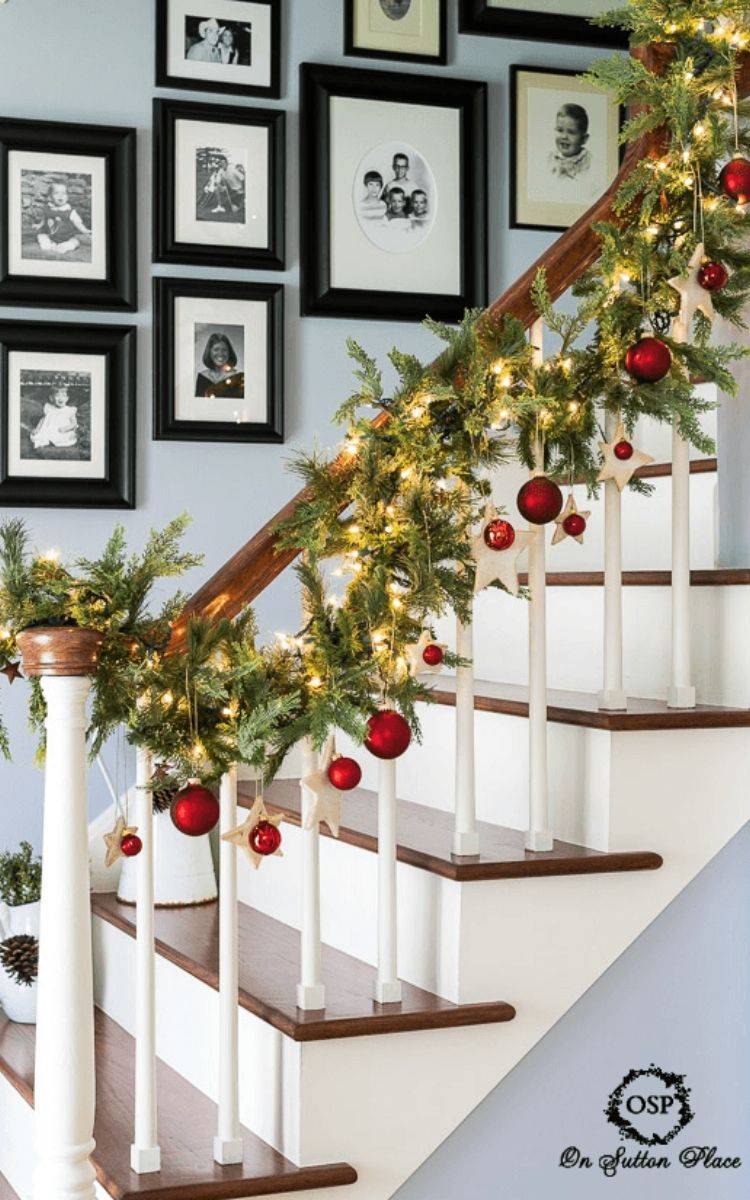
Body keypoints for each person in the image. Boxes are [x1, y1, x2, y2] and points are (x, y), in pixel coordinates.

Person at [34, 181, 90, 257]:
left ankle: (63, 246)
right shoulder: (48, 208)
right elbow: (45, 218)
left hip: (67, 237)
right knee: (41, 236)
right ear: (50, 197)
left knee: (75, 242)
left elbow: (78, 223)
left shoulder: (70, 211)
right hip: (50, 236)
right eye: (56, 193)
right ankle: (49, 245)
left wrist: (84, 230)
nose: (60, 196)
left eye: (64, 193)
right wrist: (39, 225)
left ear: (67, 196)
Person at [548, 103, 591, 180]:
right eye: (560, 130)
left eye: (571, 132)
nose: (564, 136)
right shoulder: (550, 158)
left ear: (584, 139)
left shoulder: (588, 162)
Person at [195, 332, 244, 398]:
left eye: (224, 350)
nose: (220, 353)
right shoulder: (202, 377)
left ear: (229, 353)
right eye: (216, 349)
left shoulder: (238, 378)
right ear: (209, 352)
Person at [30, 384, 78, 450]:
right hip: (50, 429)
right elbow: (42, 420)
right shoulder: (49, 408)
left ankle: (55, 441)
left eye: (63, 396)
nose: (61, 398)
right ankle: (45, 441)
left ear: (67, 398)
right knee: (38, 436)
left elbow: (74, 423)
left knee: (65, 438)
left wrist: (66, 428)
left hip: (62, 430)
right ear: (51, 398)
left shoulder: (69, 410)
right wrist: (37, 429)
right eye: (57, 396)